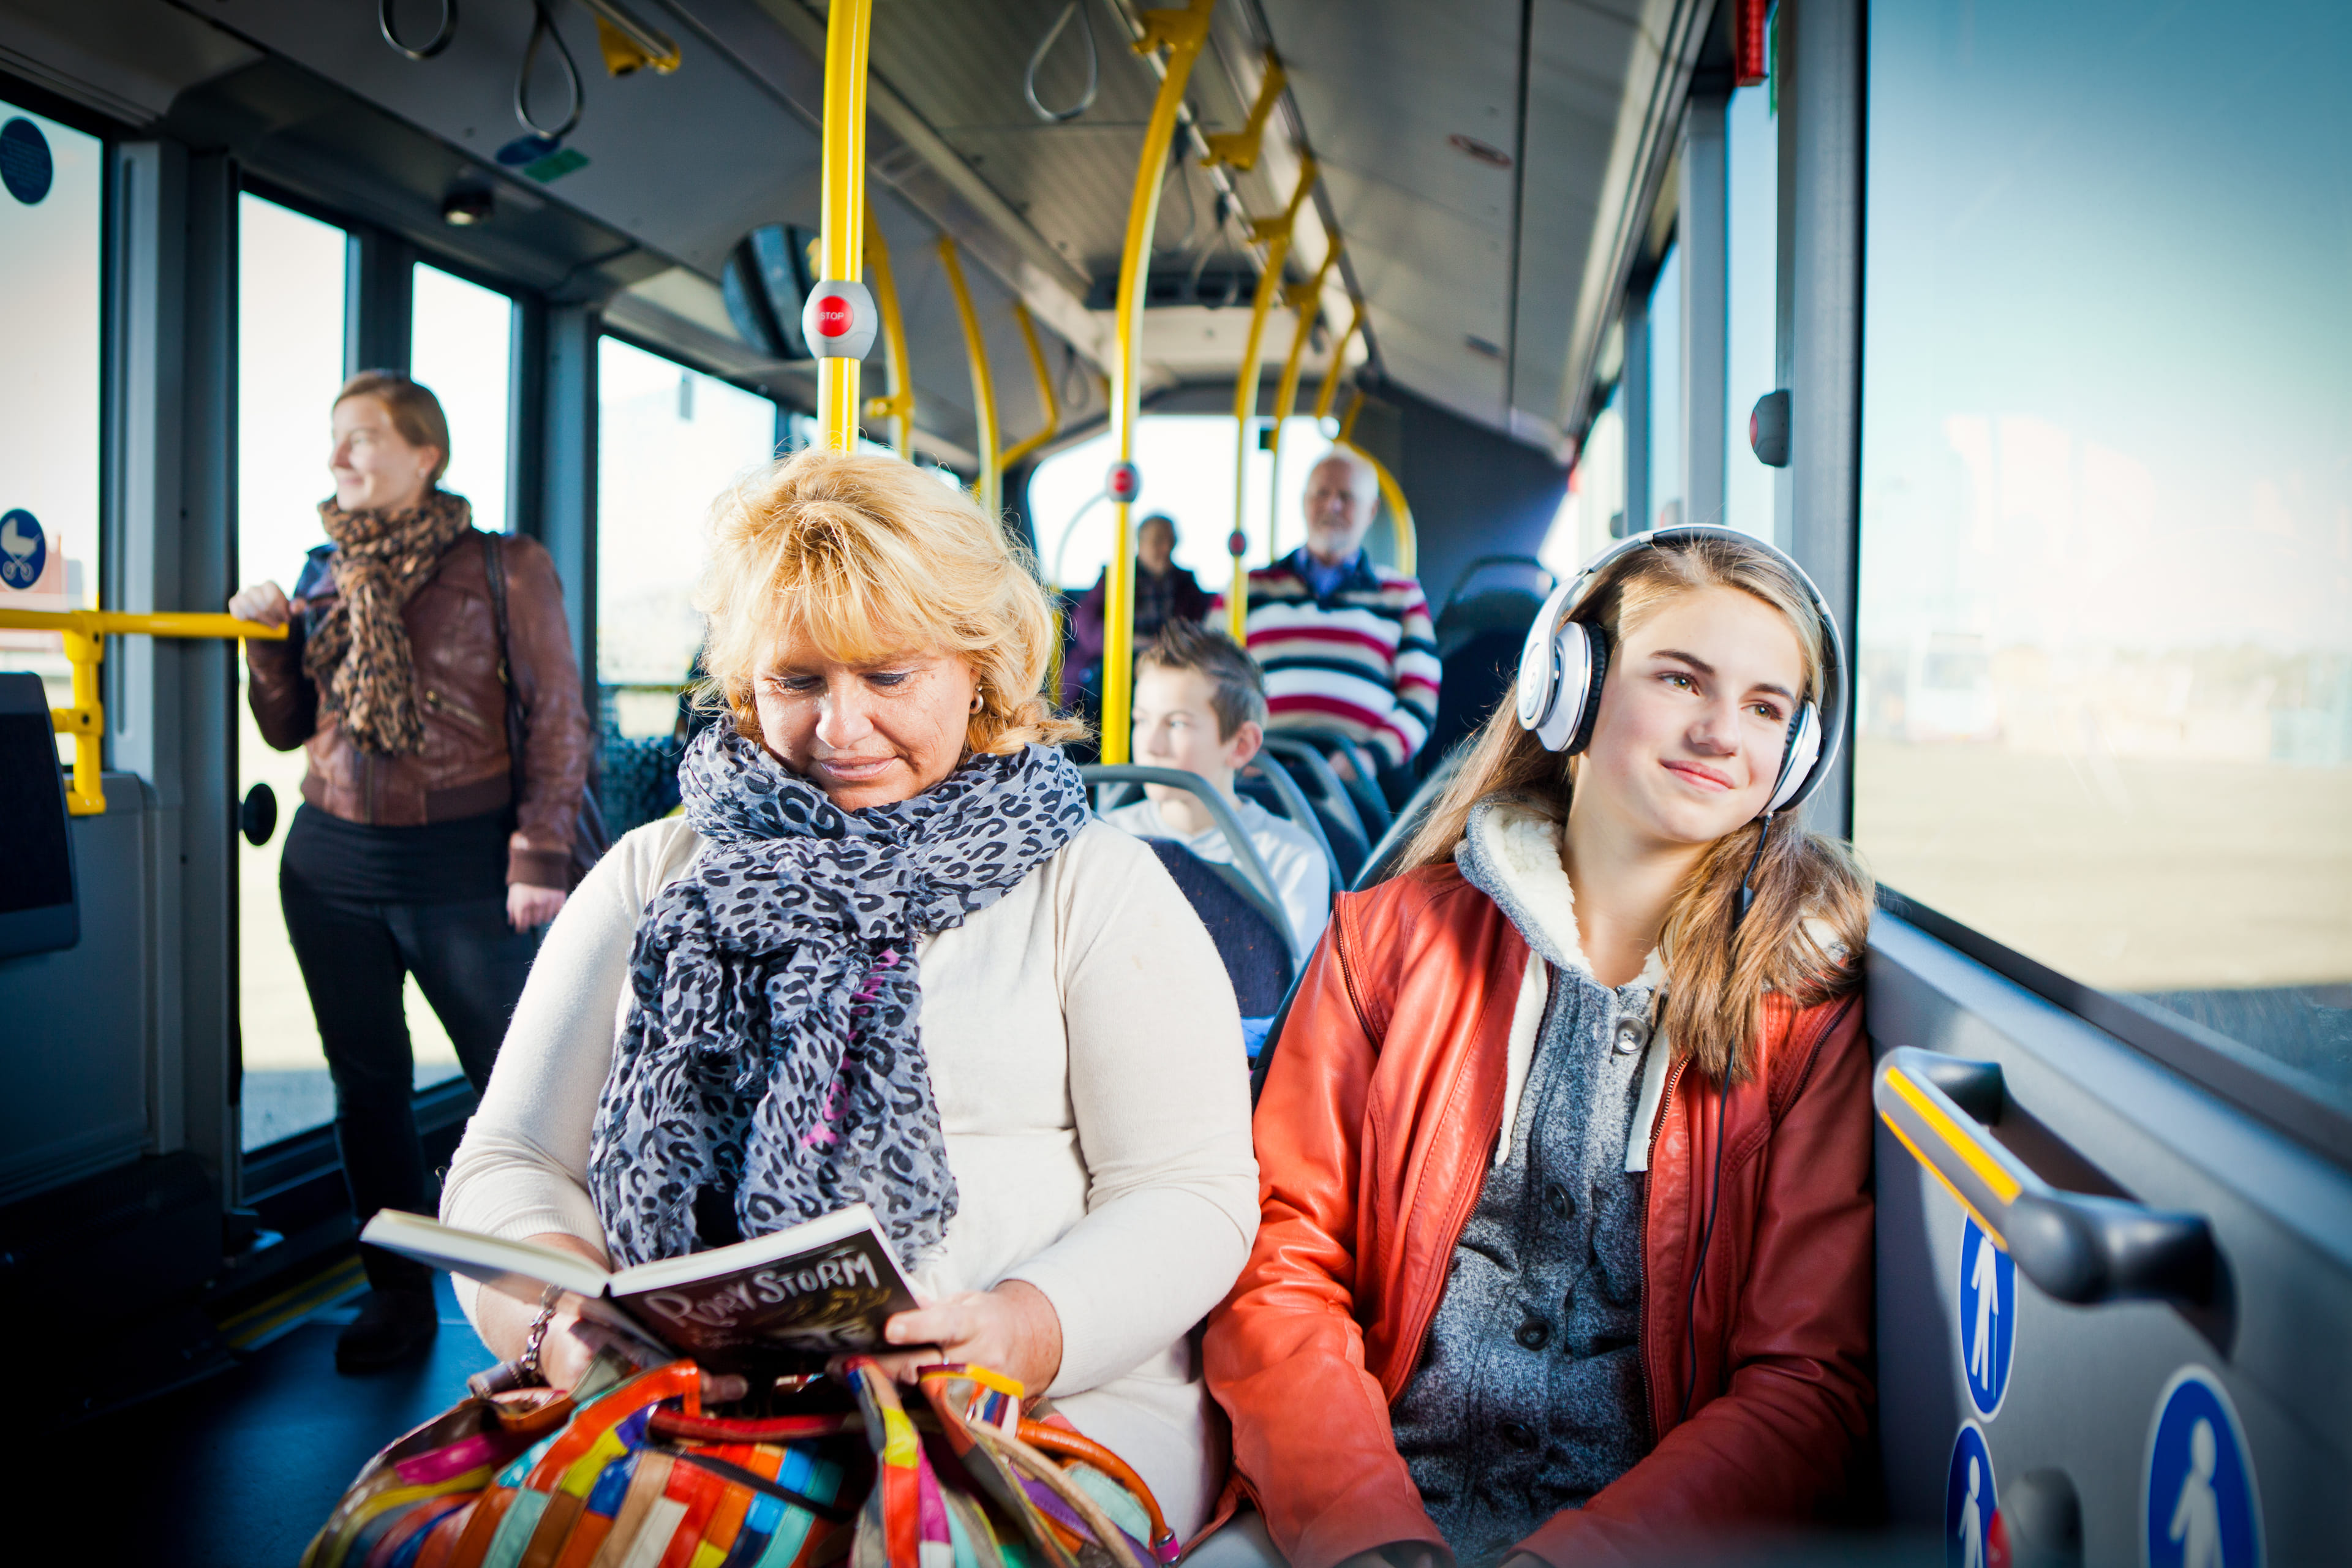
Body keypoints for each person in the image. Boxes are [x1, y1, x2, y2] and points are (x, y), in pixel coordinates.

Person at [439, 448, 1260, 1541]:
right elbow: (510, 1166)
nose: (841, 729)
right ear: (746, 689)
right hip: (677, 1411)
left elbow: (1189, 1193)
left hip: (1043, 1409)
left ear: (979, 669)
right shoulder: (652, 873)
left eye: (888, 677)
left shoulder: (1093, 885)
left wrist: (1025, 1328)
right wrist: (553, 1325)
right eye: (799, 681)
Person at [1199, 529, 1876, 1567]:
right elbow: (1280, 1274)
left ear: (1796, 756)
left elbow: (1804, 1386)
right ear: (1569, 689)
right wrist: (1363, 1531)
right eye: (1679, 679)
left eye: (1765, 708)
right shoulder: (1382, 944)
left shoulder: (1803, 1009)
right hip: (1358, 1512)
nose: (1718, 733)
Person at [233, 370, 590, 1375]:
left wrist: (539, 855)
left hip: (467, 865)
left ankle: (555, 1301)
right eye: (333, 438)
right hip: (330, 862)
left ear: (424, 453)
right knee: (367, 1089)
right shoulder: (318, 575)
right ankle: (395, 1298)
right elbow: (290, 727)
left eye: (361, 438)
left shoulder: (502, 566)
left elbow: (561, 717)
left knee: (521, 1092)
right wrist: (268, 647)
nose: (337, 457)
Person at [1212, 449, 1439, 801]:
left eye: (1346, 497)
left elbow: (1420, 697)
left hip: (1362, 769)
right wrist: (1239, 748)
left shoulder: (1401, 594)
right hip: (1260, 760)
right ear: (1304, 502)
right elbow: (1210, 681)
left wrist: (1371, 758)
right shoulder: (1247, 587)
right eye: (1321, 493)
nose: (1332, 506)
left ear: (1371, 511)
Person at [1104, 621, 1332, 956]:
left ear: (1240, 745)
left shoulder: (1291, 860)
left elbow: (1293, 1000)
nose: (1150, 744)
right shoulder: (1108, 838)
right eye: (1141, 721)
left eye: (1176, 723)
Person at [1065, 510, 1214, 707]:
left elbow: (1199, 628)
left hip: (1168, 659)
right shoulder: (1115, 576)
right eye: (1158, 541)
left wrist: (1170, 646)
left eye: (1171, 541)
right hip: (1116, 659)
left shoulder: (1186, 584)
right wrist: (1130, 641)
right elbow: (1086, 625)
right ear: (1141, 543)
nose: (1166, 548)